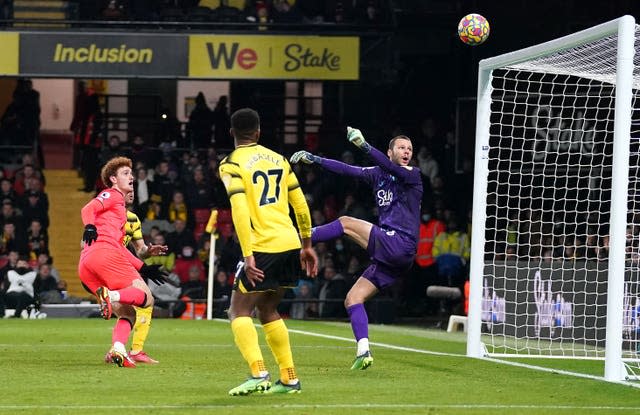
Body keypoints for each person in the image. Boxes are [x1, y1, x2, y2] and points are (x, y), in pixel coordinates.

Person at [290, 126, 422, 370]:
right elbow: (346, 170)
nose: (406, 152)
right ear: (390, 151)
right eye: (402, 148)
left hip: (399, 242)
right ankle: (364, 351)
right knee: (353, 299)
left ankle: (298, 238)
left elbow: (390, 167)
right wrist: (315, 159)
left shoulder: (412, 175)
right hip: (394, 256)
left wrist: (364, 146)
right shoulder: (377, 174)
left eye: (409, 149)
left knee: (345, 223)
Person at [218, 108, 318, 395]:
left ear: (231, 133)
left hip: (262, 247)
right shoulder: (280, 160)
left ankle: (258, 373)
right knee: (268, 309)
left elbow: (239, 208)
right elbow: (300, 205)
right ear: (259, 132)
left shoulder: (231, 164)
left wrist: (248, 255)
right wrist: (308, 245)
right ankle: (289, 379)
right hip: (290, 244)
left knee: (238, 310)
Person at [77, 156, 169, 368]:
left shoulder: (122, 213)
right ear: (113, 179)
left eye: (131, 173)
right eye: (125, 173)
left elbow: (121, 246)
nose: (132, 177)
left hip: (87, 265)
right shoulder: (113, 195)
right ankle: (111, 295)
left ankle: (118, 349)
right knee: (146, 298)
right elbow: (87, 209)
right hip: (105, 255)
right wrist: (89, 226)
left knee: (127, 312)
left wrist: (143, 267)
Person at [117, 190, 169, 364]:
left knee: (141, 304)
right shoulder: (105, 215)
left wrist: (148, 251)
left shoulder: (133, 219)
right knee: (128, 308)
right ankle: (127, 349)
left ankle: (131, 350)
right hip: (104, 265)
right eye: (127, 190)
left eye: (132, 191)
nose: (131, 193)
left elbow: (140, 250)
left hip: (123, 266)